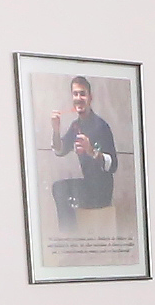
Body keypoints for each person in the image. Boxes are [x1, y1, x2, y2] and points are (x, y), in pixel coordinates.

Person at [48, 75, 116, 231]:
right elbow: (60, 150)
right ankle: (69, 236)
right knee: (59, 188)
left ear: (90, 98)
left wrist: (91, 150)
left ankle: (70, 236)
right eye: (75, 94)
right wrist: (56, 130)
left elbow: (113, 165)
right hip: (88, 186)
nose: (78, 98)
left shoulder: (101, 126)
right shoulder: (75, 126)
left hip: (101, 191)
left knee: (63, 191)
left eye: (82, 94)